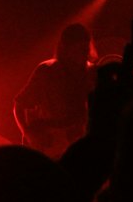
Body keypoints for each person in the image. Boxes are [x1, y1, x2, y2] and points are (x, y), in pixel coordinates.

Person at [13, 23, 95, 159]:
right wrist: (28, 134)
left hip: (79, 147)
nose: (84, 54)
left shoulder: (92, 73)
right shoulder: (47, 72)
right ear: (66, 49)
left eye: (85, 50)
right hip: (51, 148)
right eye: (79, 50)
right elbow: (19, 105)